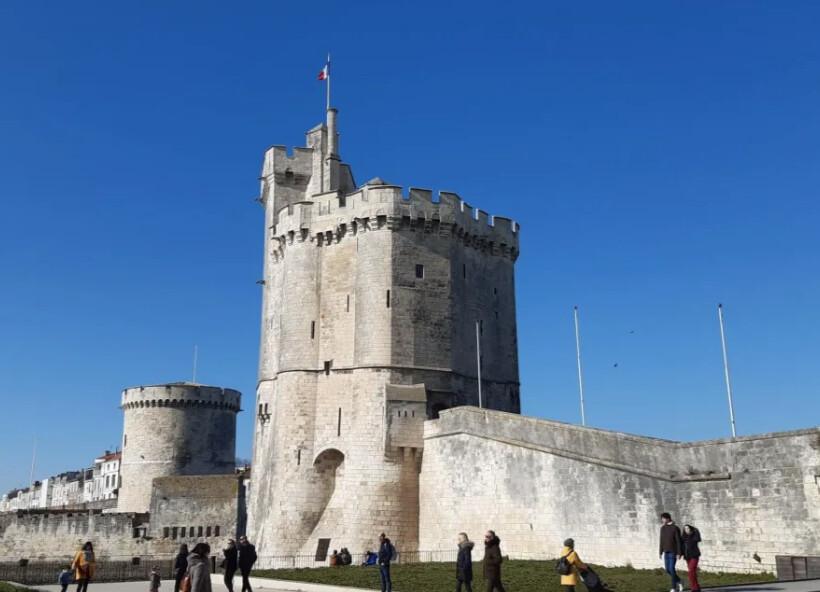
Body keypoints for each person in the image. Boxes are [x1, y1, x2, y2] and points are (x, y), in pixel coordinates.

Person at [659, 512, 684, 592]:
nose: (662, 520)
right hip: (666, 552)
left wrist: (679, 553)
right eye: (661, 518)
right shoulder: (662, 528)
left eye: (663, 518)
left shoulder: (675, 528)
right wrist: (660, 551)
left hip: (673, 552)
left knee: (672, 569)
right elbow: (661, 541)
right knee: (668, 570)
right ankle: (679, 581)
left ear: (668, 518)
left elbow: (678, 541)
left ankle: (674, 588)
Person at [683, 524, 702, 592]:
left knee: (691, 571)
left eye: (688, 528)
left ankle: (694, 588)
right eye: (685, 529)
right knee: (692, 572)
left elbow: (698, 539)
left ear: (690, 529)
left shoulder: (694, 536)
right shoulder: (684, 537)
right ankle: (696, 586)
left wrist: (695, 530)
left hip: (694, 556)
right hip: (687, 557)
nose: (686, 530)